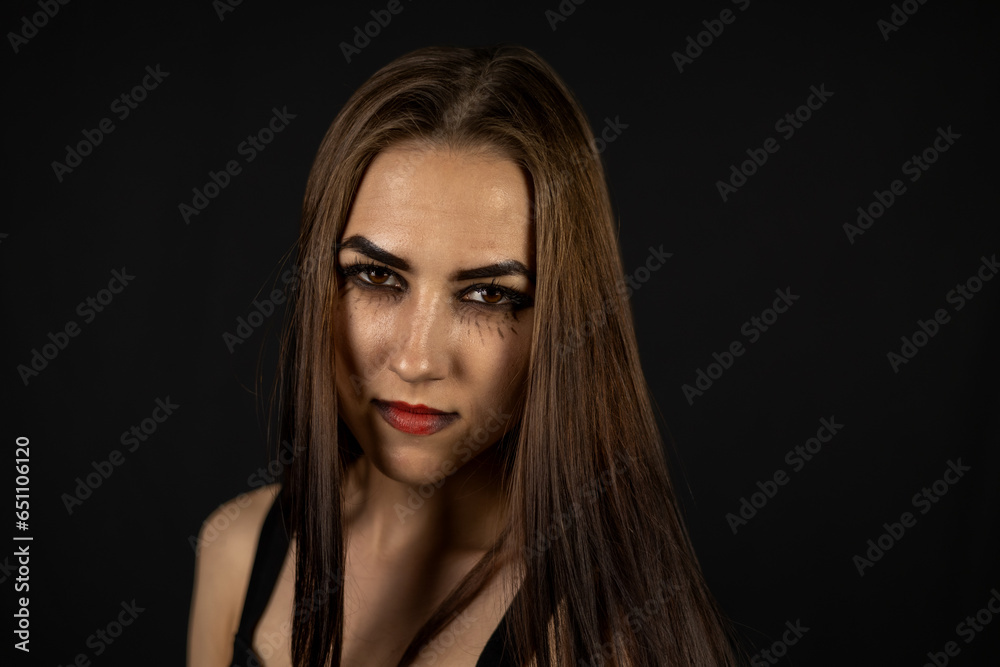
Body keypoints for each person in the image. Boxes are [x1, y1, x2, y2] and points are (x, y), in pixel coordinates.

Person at [187, 44, 740, 667]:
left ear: (562, 323)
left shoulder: (598, 641)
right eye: (375, 277)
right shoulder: (236, 547)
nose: (418, 360)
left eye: (488, 295)